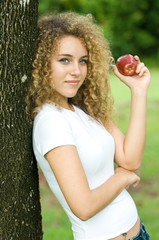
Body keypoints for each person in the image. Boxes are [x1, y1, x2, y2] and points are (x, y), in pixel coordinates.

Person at [26, 12, 150, 240]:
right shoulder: (51, 122)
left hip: (137, 232)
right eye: (65, 60)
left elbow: (130, 159)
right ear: (42, 64)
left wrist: (139, 91)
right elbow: (83, 207)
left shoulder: (84, 108)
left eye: (82, 60)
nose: (77, 70)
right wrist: (123, 177)